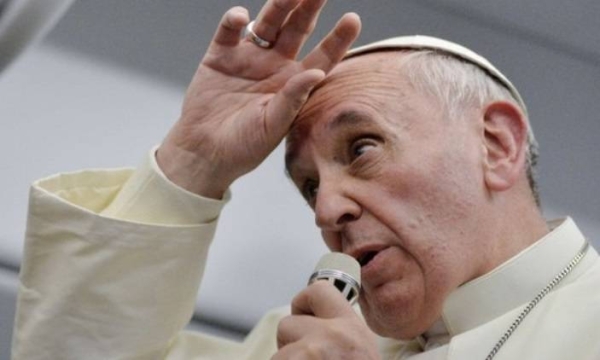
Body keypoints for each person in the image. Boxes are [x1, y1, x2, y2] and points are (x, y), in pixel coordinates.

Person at [11, 0, 600, 359]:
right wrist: (192, 161)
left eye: (363, 148)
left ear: (497, 145)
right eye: (309, 187)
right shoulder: (292, 343)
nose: (326, 212)